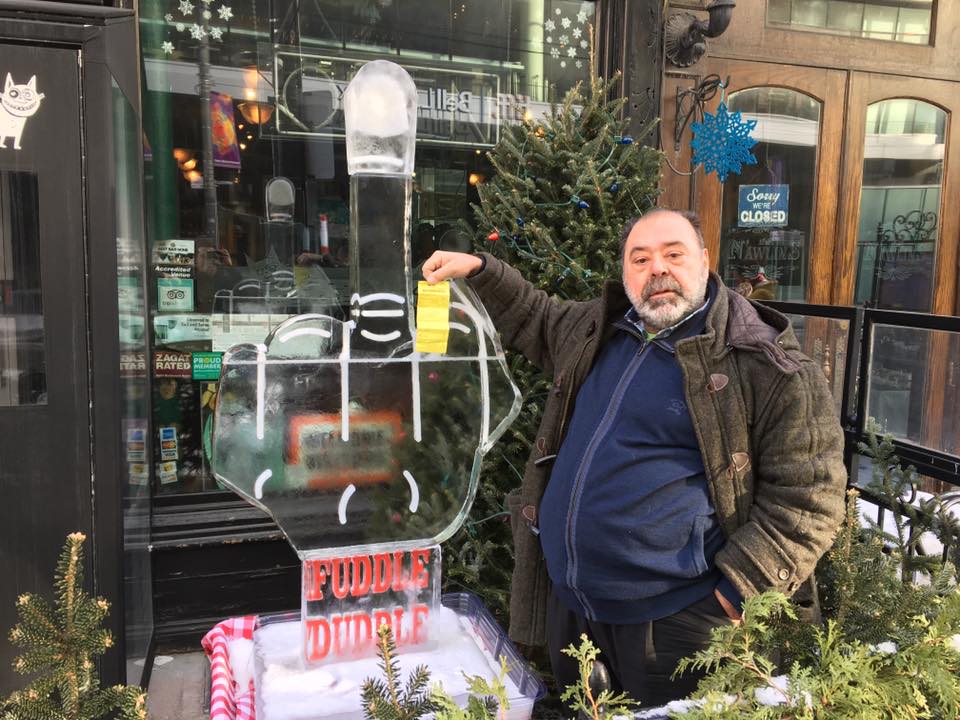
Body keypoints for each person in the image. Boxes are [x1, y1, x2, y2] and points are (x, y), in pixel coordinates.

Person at [421, 208, 846, 707]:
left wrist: (737, 591)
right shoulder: (600, 329)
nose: (657, 269)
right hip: (574, 613)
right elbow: (536, 315)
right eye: (640, 259)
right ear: (625, 273)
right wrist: (479, 269)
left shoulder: (765, 363)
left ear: (705, 260)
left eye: (673, 254)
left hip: (680, 628)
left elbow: (811, 497)